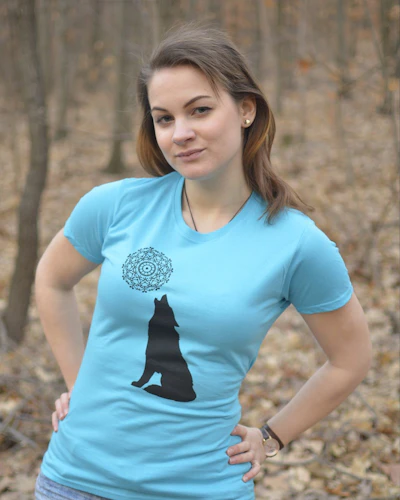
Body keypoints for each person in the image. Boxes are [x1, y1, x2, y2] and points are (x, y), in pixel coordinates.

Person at [34, 23, 372, 500]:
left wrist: (272, 436)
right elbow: (51, 279)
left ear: (246, 109)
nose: (181, 133)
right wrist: (79, 383)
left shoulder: (296, 243)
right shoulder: (115, 205)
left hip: (200, 487)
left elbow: (351, 359)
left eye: (200, 110)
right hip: (74, 481)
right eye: (164, 118)